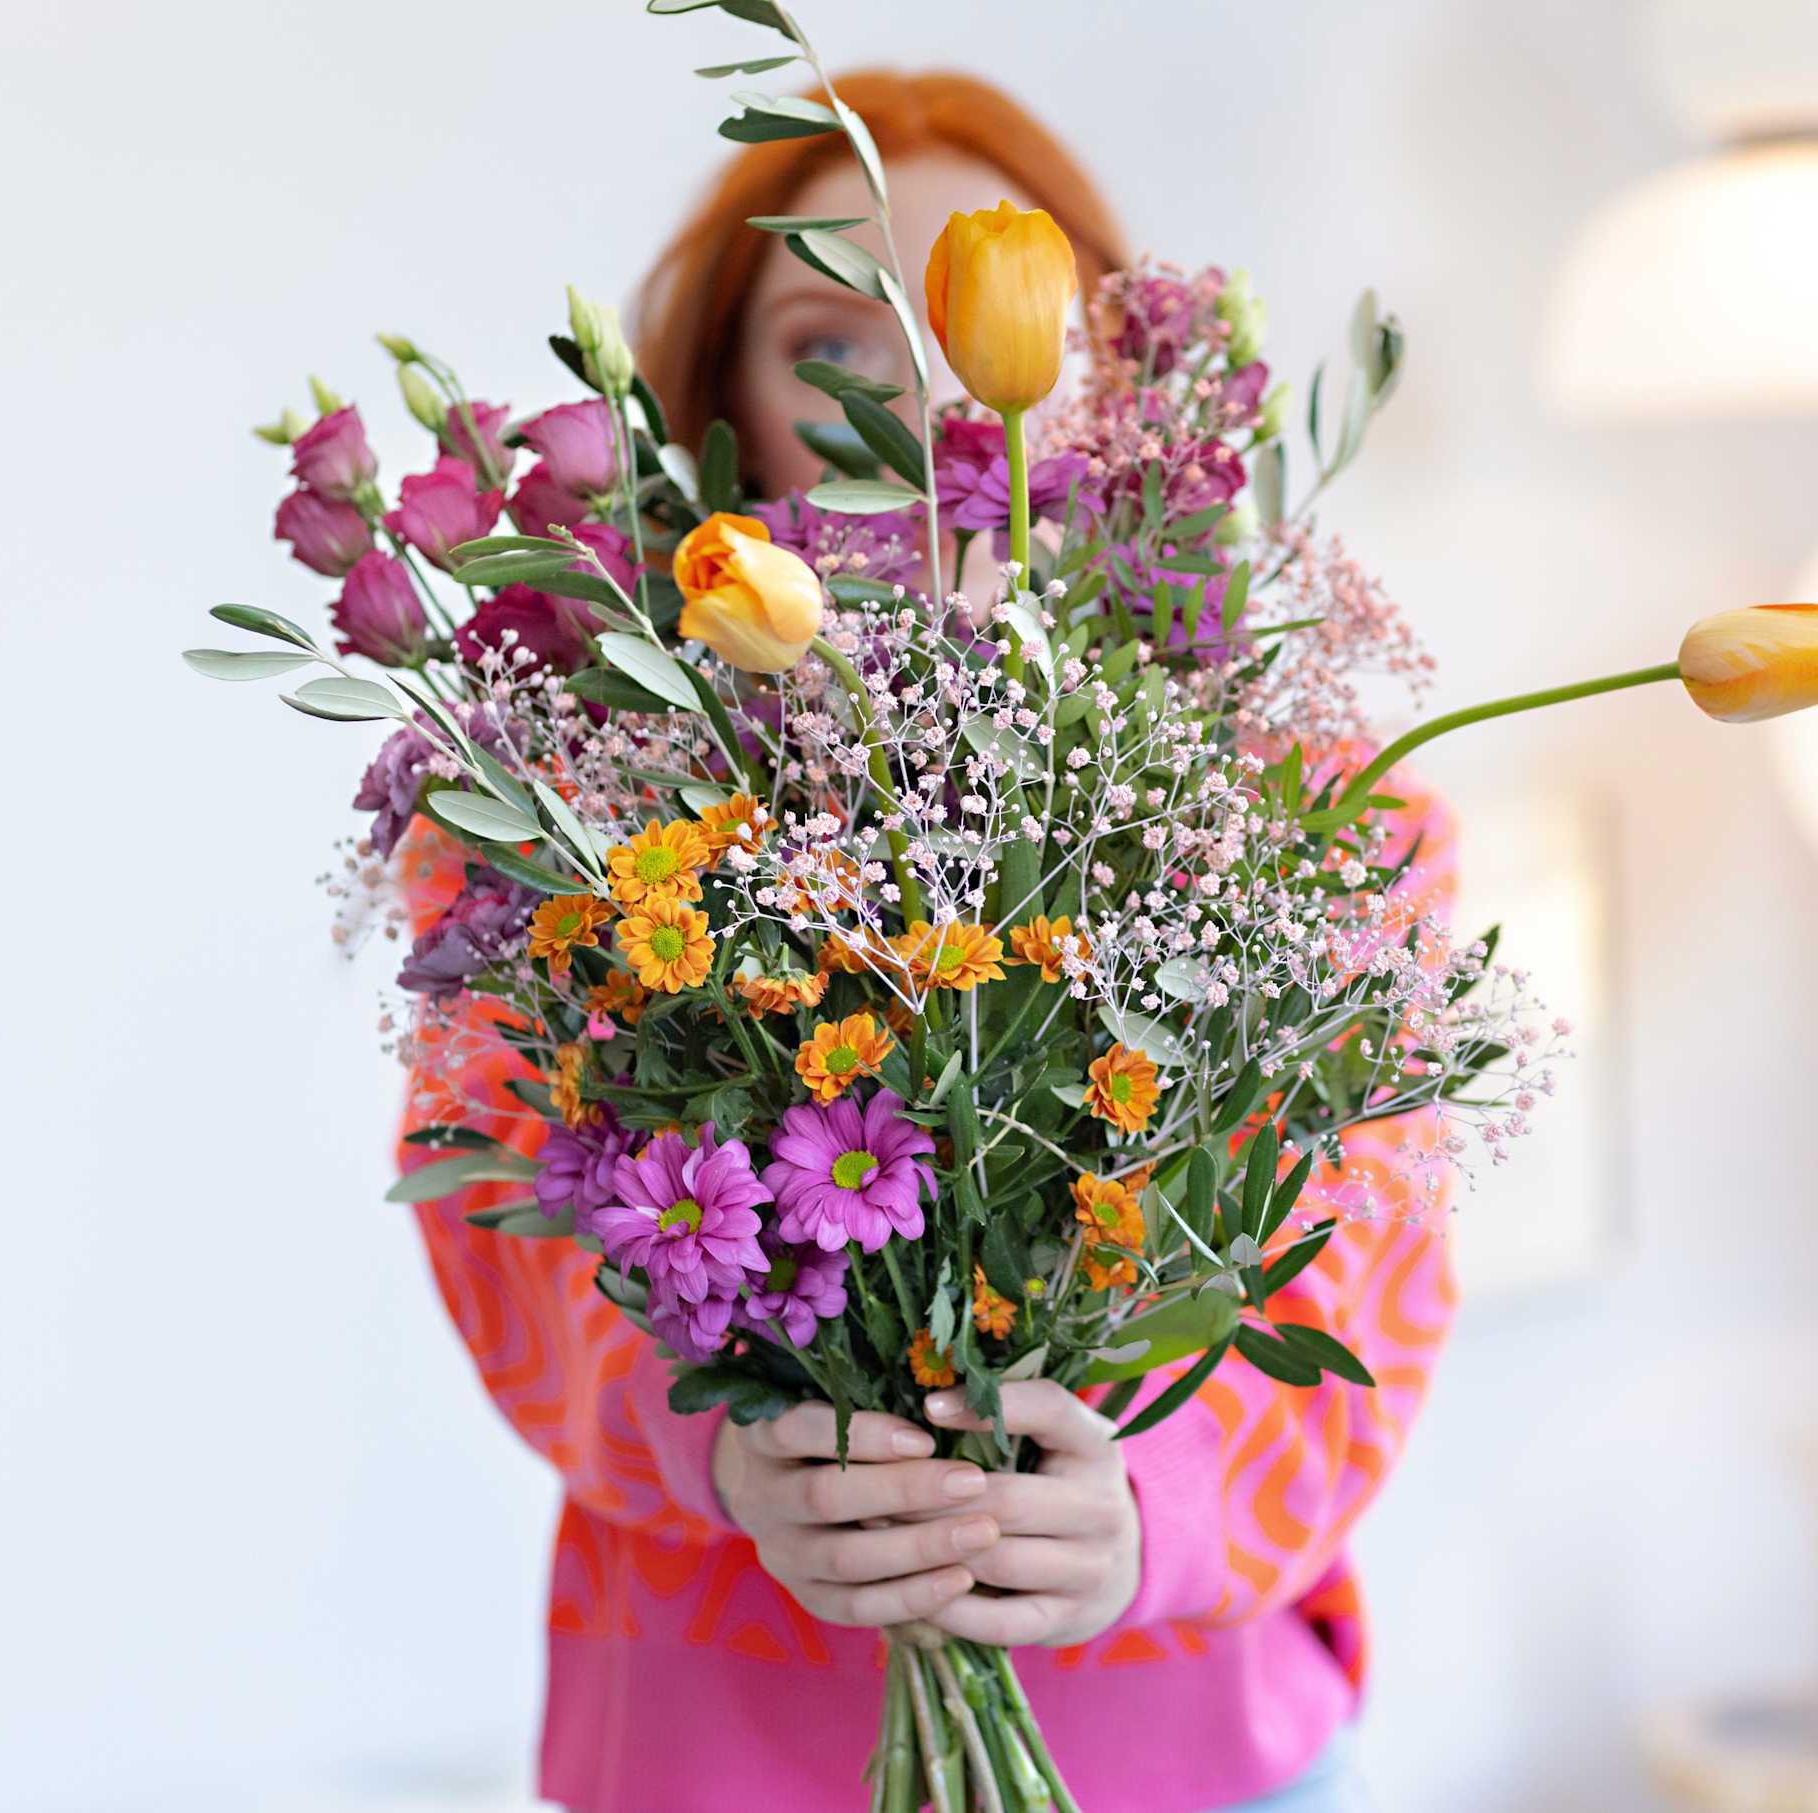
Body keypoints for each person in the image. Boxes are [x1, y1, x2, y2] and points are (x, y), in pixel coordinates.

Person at [397, 71, 1457, 1813]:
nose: (926, 396)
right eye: (835, 337)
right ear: (715, 410)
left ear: (1116, 383)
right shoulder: (565, 800)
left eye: (981, 326)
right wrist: (725, 1445)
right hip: (709, 1754)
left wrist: (1152, 1506)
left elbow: (1376, 1260)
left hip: (1198, 1751)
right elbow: (493, 1205)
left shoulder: (1314, 792)